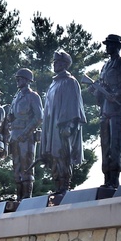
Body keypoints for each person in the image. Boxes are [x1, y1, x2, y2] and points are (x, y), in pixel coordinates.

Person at [91, 34, 121, 190]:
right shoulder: (105, 66)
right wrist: (96, 90)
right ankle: (106, 178)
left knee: (116, 146)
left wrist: (115, 94)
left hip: (119, 109)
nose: (107, 47)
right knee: (105, 147)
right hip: (105, 111)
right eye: (107, 44)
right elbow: (100, 86)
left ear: (117, 47)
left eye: (110, 44)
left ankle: (114, 180)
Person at [40, 52, 86, 194]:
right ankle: (58, 185)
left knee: (62, 155)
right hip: (51, 127)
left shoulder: (70, 81)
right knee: (53, 156)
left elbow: (74, 104)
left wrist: (70, 125)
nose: (54, 64)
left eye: (58, 62)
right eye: (54, 62)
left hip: (63, 126)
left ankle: (65, 185)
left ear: (65, 64)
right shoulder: (53, 84)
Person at [7, 68, 43, 200]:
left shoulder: (33, 96)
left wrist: (26, 132)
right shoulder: (16, 98)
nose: (18, 80)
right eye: (17, 78)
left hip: (26, 136)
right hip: (15, 135)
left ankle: (26, 197)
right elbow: (12, 117)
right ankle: (19, 196)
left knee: (26, 167)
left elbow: (39, 117)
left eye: (20, 78)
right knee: (16, 166)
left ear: (28, 81)